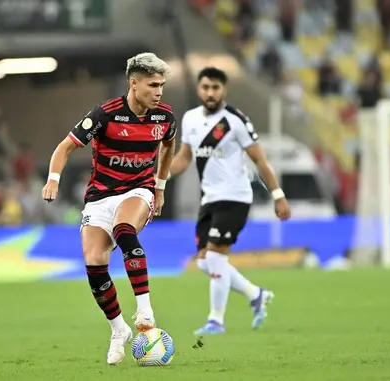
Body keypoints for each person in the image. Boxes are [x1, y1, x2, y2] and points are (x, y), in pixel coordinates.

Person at [41, 52, 176, 365]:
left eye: (162, 86)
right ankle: (119, 329)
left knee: (124, 229)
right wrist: (53, 180)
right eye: (153, 85)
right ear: (134, 83)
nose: (159, 92)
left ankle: (145, 311)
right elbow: (65, 147)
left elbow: (169, 144)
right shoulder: (106, 114)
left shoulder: (164, 117)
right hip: (100, 196)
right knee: (94, 262)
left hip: (138, 190)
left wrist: (159, 185)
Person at [169, 67, 291, 335]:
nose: (210, 93)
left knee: (214, 256)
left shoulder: (235, 120)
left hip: (235, 197)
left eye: (215, 88)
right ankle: (255, 293)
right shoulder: (189, 119)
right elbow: (184, 157)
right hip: (209, 199)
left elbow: (260, 161)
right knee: (204, 261)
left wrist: (278, 195)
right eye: (205, 87)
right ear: (199, 89)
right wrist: (161, 174)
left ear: (224, 90)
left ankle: (216, 320)